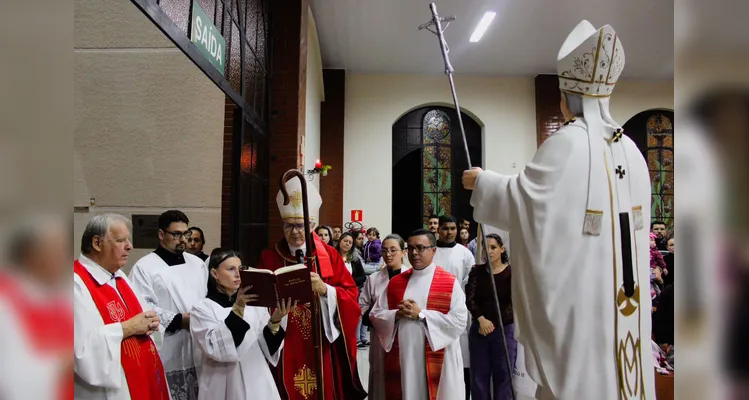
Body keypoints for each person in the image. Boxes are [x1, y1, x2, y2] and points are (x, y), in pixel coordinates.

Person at [462, 20, 655, 399]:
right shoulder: (631, 151)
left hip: (582, 297)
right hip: (624, 298)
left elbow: (528, 202)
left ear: (570, 96)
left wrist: (483, 182)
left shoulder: (567, 143)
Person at [255, 178, 366, 400]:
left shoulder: (329, 255)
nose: (294, 232)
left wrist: (325, 290)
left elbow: (351, 297)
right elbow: (258, 300)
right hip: (284, 341)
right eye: (289, 225)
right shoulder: (269, 256)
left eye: (300, 225)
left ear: (312, 226)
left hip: (320, 339)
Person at [74, 214, 169, 400]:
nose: (130, 246)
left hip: (145, 376)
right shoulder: (75, 284)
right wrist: (129, 327)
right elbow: (80, 350)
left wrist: (152, 322)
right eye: (121, 240)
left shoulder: (119, 277)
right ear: (96, 243)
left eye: (128, 240)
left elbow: (144, 319)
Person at [370, 229, 469, 400]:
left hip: (440, 359)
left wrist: (422, 315)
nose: (414, 253)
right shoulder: (396, 282)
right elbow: (376, 314)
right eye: (410, 248)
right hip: (405, 358)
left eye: (420, 248)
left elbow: (460, 321)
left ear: (433, 250)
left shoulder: (448, 281)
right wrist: (396, 315)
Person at [190, 248, 294, 400]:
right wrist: (238, 308)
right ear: (214, 274)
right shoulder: (202, 308)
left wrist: (276, 319)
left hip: (257, 378)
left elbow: (266, 347)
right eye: (230, 269)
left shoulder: (254, 305)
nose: (238, 274)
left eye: (240, 269)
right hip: (223, 381)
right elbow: (215, 349)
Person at [129, 210, 208, 400]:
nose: (183, 240)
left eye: (186, 234)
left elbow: (207, 297)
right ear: (161, 235)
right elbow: (141, 306)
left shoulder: (197, 264)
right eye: (177, 234)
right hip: (168, 346)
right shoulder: (145, 267)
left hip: (198, 345)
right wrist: (179, 320)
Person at [0, 215, 73, 400]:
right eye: (55, 252)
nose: (63, 258)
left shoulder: (60, 293)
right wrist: (61, 364)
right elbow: (10, 374)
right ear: (31, 256)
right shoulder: (6, 301)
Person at [465, 234, 516, 400]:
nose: (490, 251)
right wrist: (481, 320)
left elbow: (514, 302)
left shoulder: (512, 274)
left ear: (502, 249)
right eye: (486, 247)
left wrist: (494, 323)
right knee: (479, 375)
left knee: (504, 374)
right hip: (480, 330)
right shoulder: (477, 271)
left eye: (493, 247)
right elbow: (470, 299)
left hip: (504, 330)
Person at [359, 234, 409, 400]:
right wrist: (376, 316)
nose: (388, 254)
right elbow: (362, 305)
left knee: (405, 377)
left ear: (403, 252)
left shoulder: (412, 277)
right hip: (380, 338)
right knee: (381, 377)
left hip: (405, 336)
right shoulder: (374, 279)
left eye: (393, 250)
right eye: (385, 250)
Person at [433, 214, 475, 397]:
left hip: (458, 310)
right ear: (438, 229)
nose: (449, 232)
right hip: (433, 310)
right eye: (445, 228)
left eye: (452, 229)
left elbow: (470, 280)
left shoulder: (465, 253)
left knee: (461, 358)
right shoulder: (431, 251)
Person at [337, 232, 368, 347]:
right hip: (336, 293)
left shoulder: (354, 259)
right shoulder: (333, 256)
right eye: (345, 241)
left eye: (350, 242)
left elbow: (362, 276)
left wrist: (350, 283)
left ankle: (353, 339)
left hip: (350, 293)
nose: (348, 244)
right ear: (340, 241)